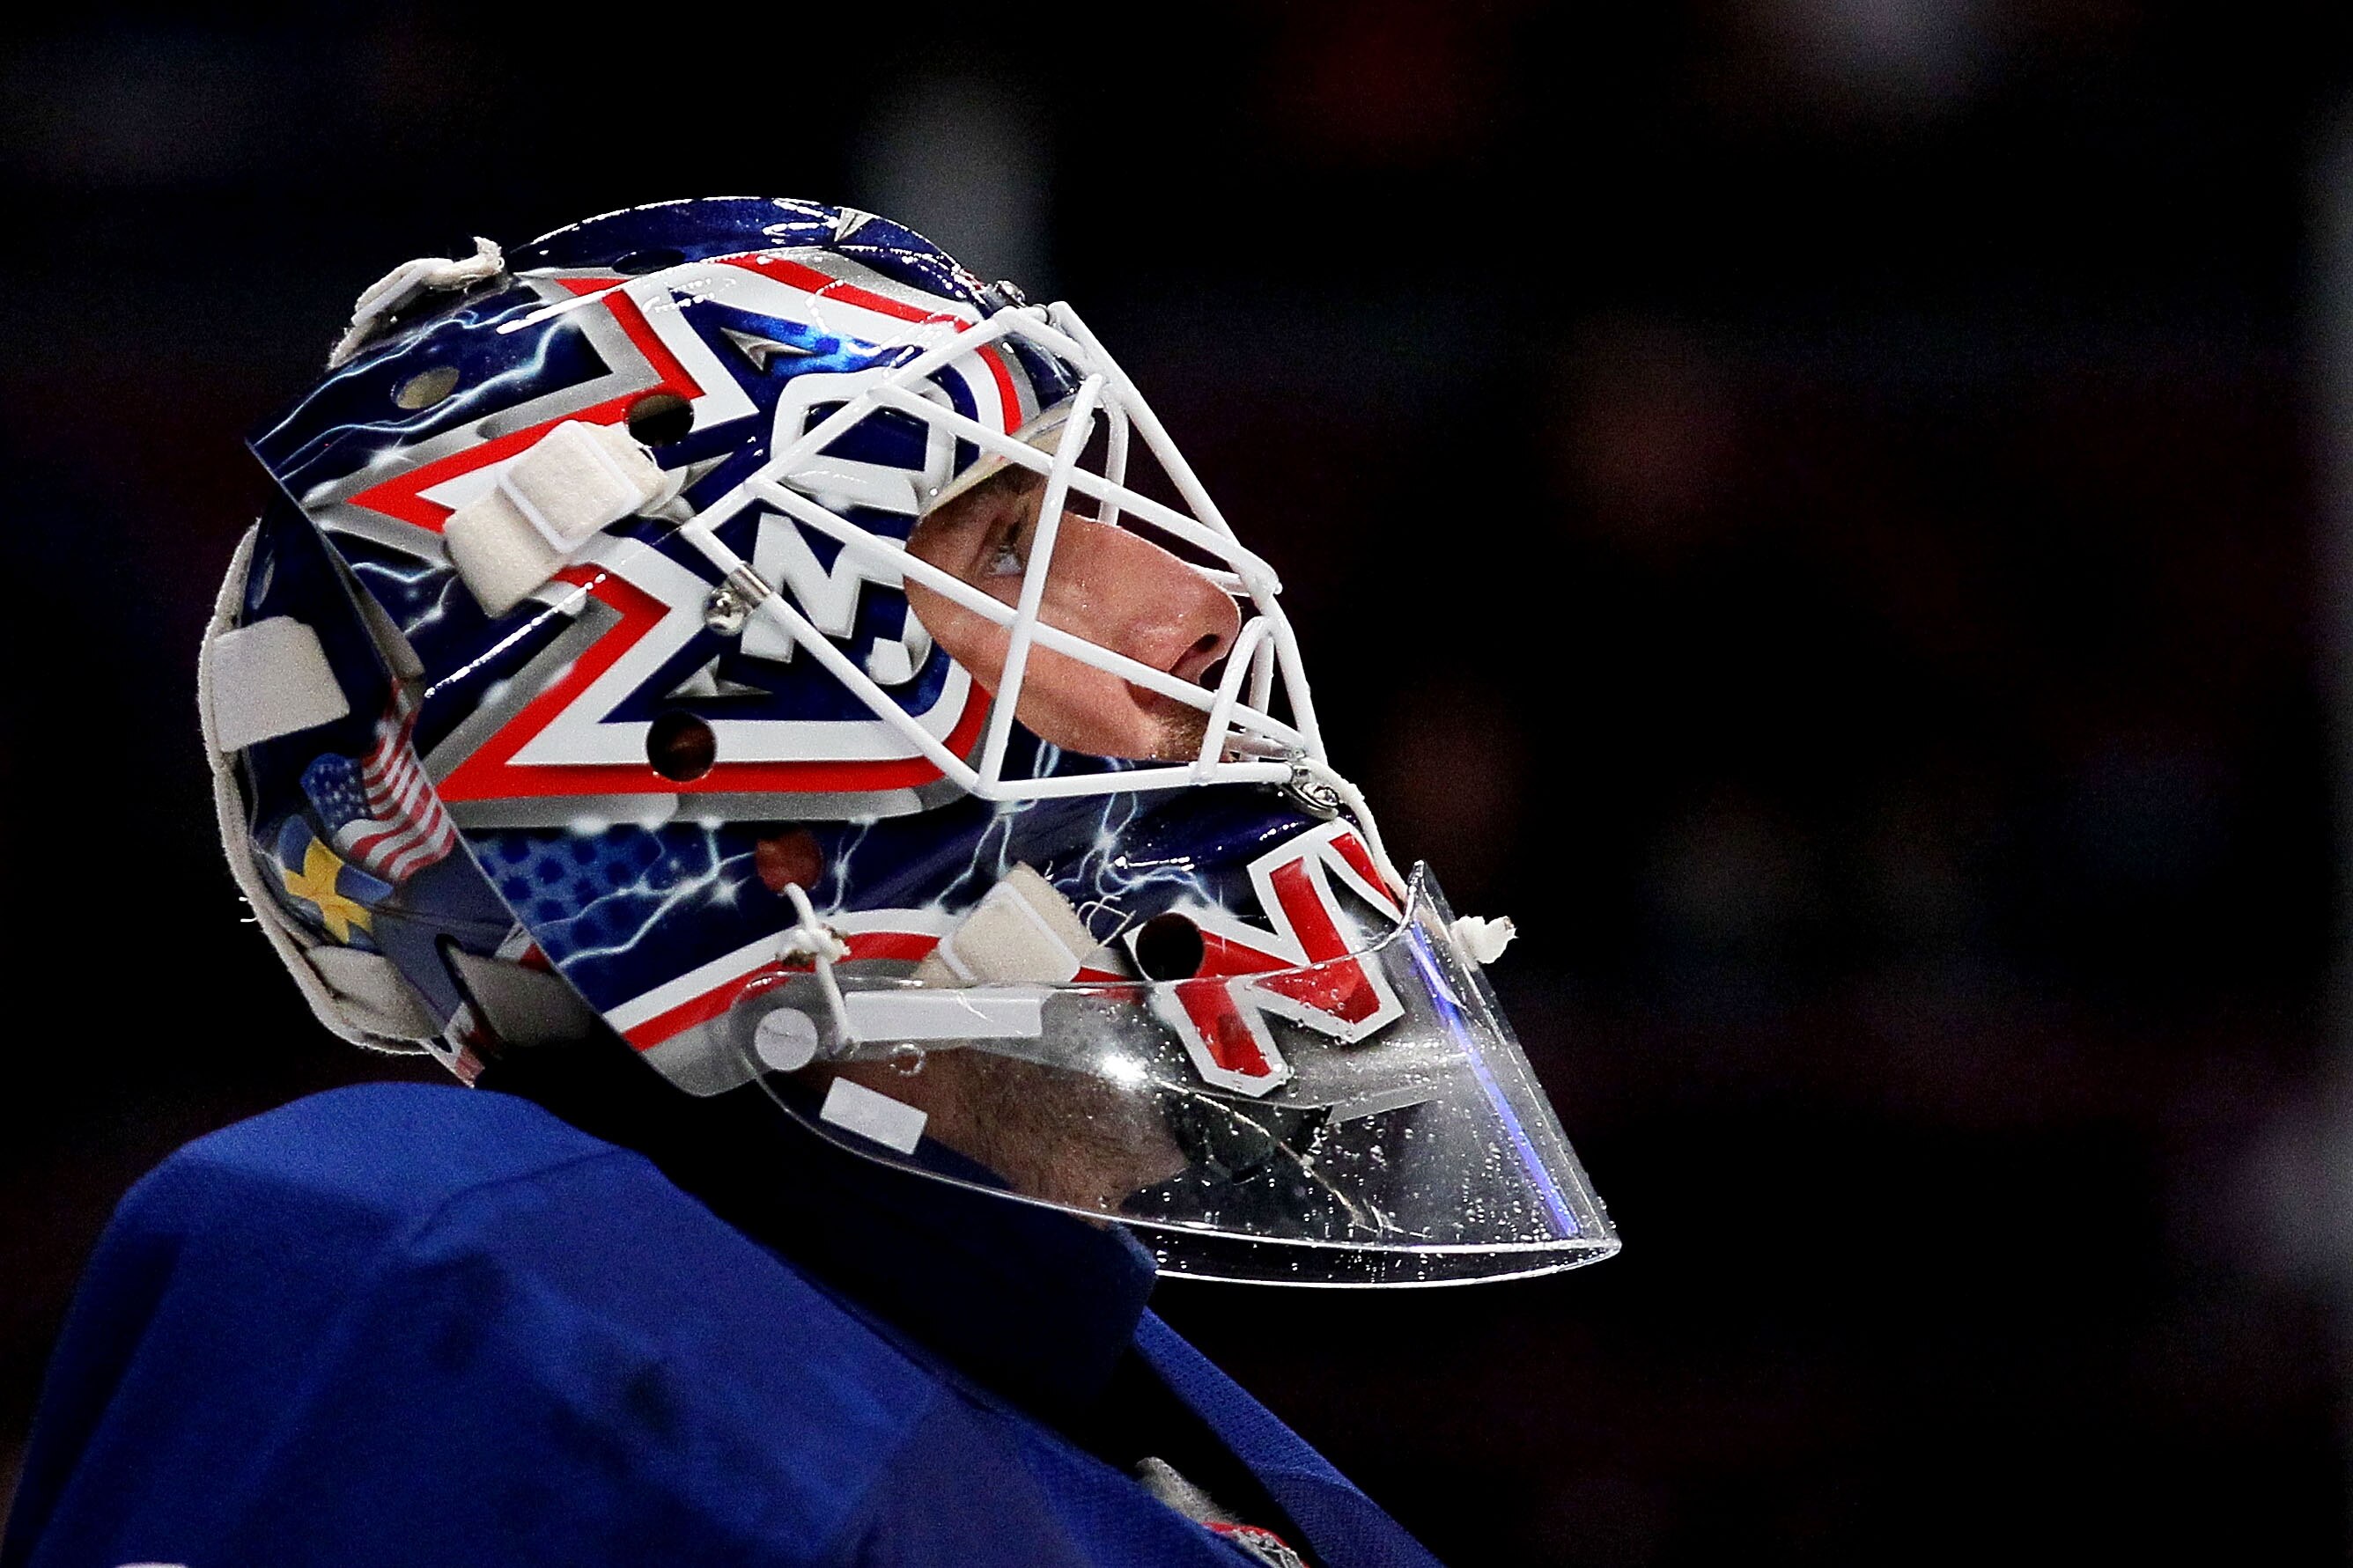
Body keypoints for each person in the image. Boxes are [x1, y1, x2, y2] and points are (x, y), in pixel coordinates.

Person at [1, 198, 1617, 1567]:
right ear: (670, 751)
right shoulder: (436, 1291)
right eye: (1003, 547)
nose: (1198, 605)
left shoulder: (1071, 1349)